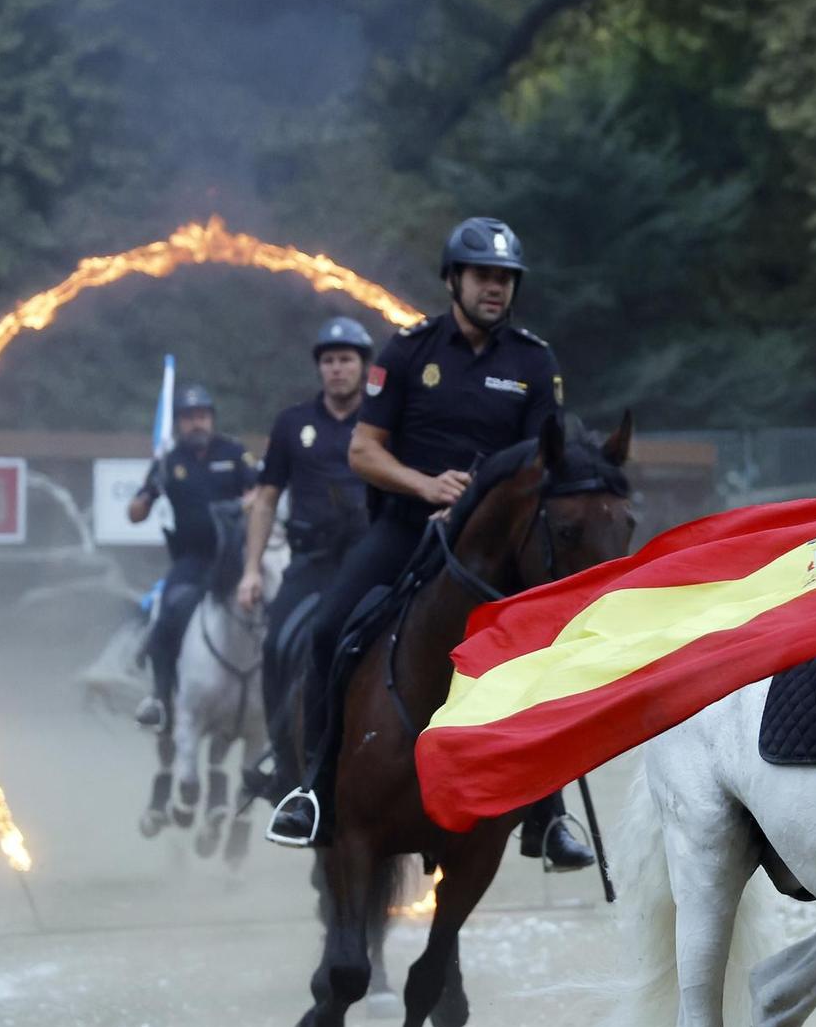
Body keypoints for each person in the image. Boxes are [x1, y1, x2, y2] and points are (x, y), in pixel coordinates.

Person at [266, 217, 596, 870]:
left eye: (505, 279)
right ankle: (313, 791)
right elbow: (364, 451)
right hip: (404, 527)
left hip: (496, 544)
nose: (495, 289)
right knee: (330, 628)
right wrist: (427, 487)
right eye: (483, 277)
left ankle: (549, 817)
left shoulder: (535, 361)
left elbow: (544, 458)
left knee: (547, 649)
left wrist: (484, 504)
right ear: (454, 280)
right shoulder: (408, 351)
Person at [239, 316, 374, 771]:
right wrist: (252, 569)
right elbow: (266, 499)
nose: (337, 369)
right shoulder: (292, 423)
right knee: (277, 642)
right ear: (320, 369)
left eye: (346, 360)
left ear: (362, 366)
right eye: (329, 360)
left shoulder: (383, 420)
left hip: (370, 559)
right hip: (311, 562)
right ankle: (282, 758)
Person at [126, 383, 258, 729]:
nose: (196, 424)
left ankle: (272, 697)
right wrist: (144, 494)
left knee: (272, 608)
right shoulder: (170, 461)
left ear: (211, 419)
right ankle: (159, 696)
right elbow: (137, 510)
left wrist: (247, 503)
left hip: (236, 558)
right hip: (192, 559)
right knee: (168, 611)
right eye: (188, 418)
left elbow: (260, 491)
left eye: (202, 416)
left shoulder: (233, 452)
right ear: (179, 423)